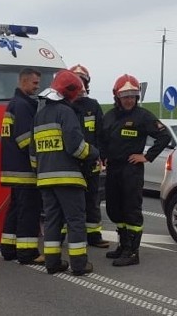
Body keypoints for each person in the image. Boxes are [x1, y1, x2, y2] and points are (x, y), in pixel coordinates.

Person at [32, 69, 99, 276]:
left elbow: (33, 153)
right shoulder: (66, 112)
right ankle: (79, 265)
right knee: (76, 221)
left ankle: (52, 262)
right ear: (69, 92)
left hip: (45, 180)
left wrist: (41, 171)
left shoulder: (40, 115)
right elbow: (76, 147)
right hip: (68, 178)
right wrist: (94, 152)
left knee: (52, 221)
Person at [100, 74, 171, 267]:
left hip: (131, 170)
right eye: (125, 96)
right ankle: (123, 245)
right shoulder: (109, 116)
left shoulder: (143, 116)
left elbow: (164, 136)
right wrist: (102, 157)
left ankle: (132, 251)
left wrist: (147, 156)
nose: (129, 100)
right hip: (113, 169)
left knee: (131, 210)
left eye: (133, 96)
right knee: (115, 209)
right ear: (117, 97)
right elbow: (103, 139)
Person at [0, 68, 44, 265]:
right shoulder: (24, 106)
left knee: (16, 209)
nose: (38, 87)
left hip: (12, 169)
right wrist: (40, 162)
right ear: (24, 81)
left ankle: (8, 249)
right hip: (25, 170)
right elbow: (27, 140)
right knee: (29, 211)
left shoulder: (13, 104)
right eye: (34, 83)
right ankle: (28, 253)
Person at [68, 64, 109, 249]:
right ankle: (64, 236)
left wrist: (103, 155)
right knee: (68, 200)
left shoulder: (93, 105)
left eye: (82, 81)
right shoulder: (65, 105)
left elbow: (102, 133)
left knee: (92, 199)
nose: (79, 84)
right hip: (71, 162)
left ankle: (93, 235)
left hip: (91, 161)